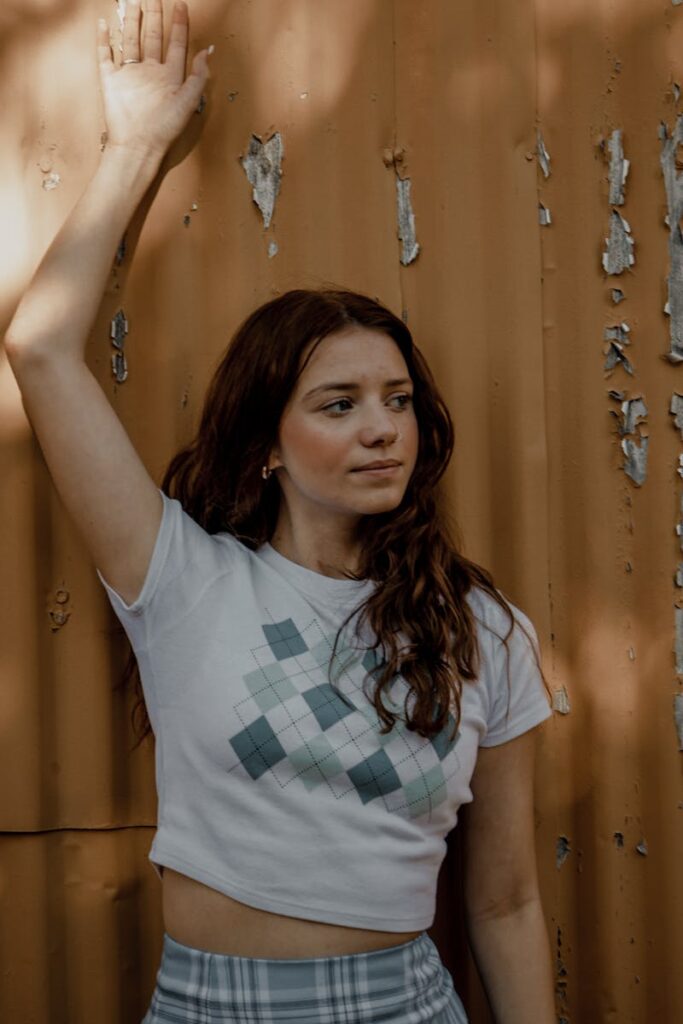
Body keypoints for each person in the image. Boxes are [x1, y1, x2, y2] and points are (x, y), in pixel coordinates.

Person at [4, 1, 556, 1021]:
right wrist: (134, 145)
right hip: (213, 1002)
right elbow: (39, 349)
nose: (380, 428)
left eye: (396, 402)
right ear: (265, 445)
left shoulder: (484, 630)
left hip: (405, 1002)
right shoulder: (180, 577)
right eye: (337, 405)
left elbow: (508, 898)